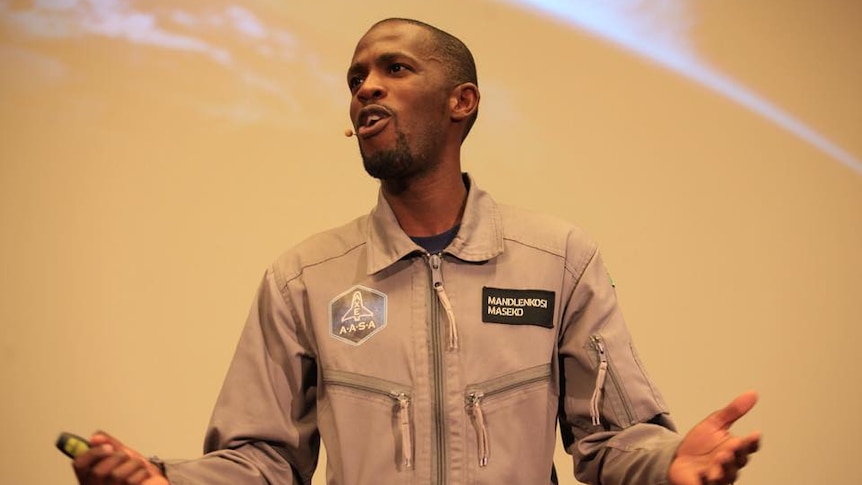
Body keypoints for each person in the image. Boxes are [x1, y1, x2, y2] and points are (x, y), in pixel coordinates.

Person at [71, 18, 760, 485]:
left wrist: (670, 458)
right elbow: (262, 460)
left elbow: (609, 440)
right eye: (355, 78)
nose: (366, 87)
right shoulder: (303, 279)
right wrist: (165, 474)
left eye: (394, 69)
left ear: (461, 101)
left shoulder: (558, 259)